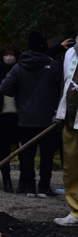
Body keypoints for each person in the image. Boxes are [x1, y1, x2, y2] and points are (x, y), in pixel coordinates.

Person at [0, 31, 63, 197]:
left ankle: (29, 187)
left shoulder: (19, 67)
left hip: (26, 118)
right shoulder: (54, 66)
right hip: (49, 118)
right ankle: (44, 187)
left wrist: (20, 93)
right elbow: (63, 86)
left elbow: (4, 88)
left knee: (27, 154)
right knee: (47, 154)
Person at [0, 45, 21, 192]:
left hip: (20, 116)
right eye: (6, 54)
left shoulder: (22, 71)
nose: (9, 57)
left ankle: (24, 181)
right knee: (4, 150)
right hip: (2, 117)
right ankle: (6, 180)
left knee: (23, 150)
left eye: (12, 54)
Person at [54, 42, 78, 226]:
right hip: (71, 118)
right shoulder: (70, 52)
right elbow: (67, 83)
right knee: (72, 167)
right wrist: (60, 113)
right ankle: (76, 210)